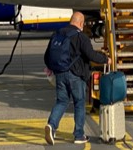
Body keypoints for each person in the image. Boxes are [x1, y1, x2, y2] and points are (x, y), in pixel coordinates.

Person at [44, 11, 111, 145]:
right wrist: (105, 59)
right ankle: (79, 135)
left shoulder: (57, 34)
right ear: (81, 23)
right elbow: (91, 55)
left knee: (61, 101)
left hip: (60, 73)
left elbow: (46, 56)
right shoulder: (81, 37)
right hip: (76, 75)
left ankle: (52, 125)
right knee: (79, 103)